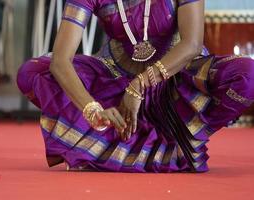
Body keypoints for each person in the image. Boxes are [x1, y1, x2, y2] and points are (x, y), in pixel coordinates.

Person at [17, 0, 254, 172]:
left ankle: (179, 140)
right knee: (32, 73)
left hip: (175, 83)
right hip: (114, 82)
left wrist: (139, 84)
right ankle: (112, 136)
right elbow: (61, 61)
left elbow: (191, 44)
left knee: (247, 76)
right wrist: (93, 109)